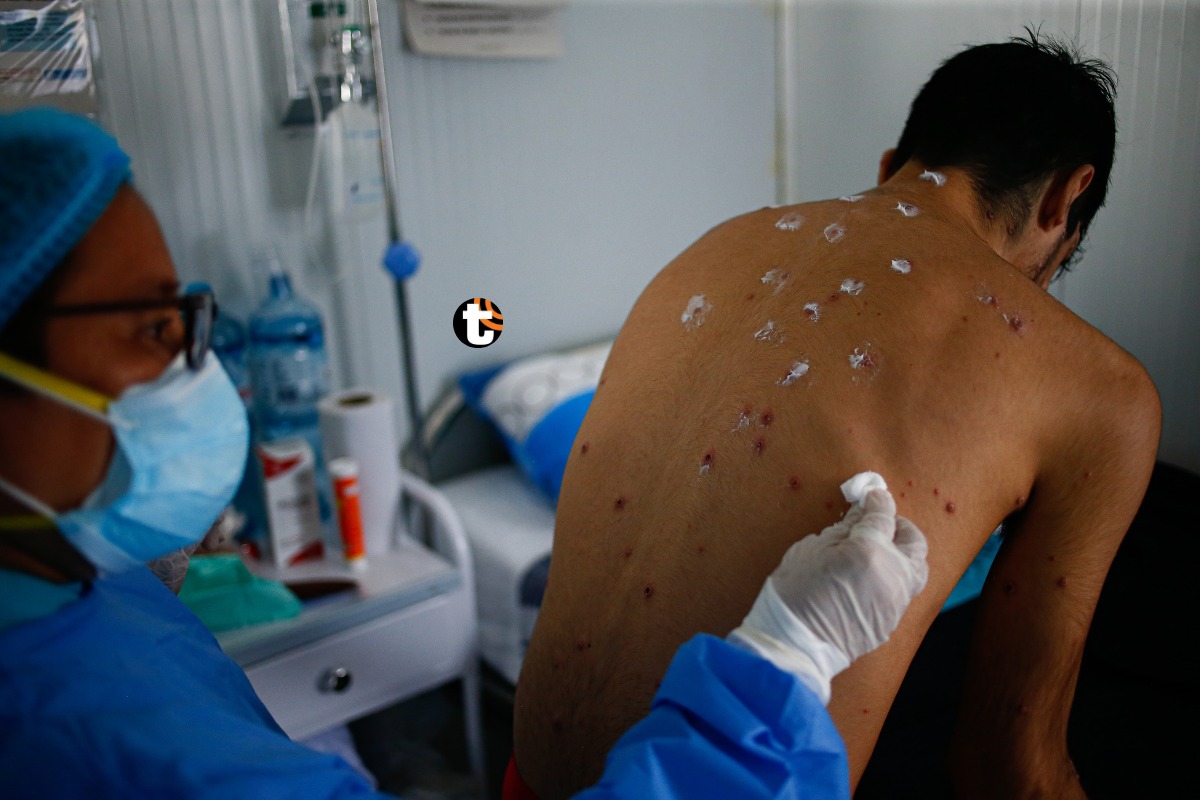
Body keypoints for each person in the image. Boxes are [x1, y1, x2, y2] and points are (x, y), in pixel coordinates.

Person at [0, 108, 929, 799]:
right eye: (156, 327)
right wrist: (788, 656)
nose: (194, 365)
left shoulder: (64, 581)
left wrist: (114, 552)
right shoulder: (96, 744)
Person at [514, 30, 1162, 800]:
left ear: (891, 167)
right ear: (1065, 198)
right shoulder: (1101, 387)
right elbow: (1008, 773)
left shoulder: (707, 251)